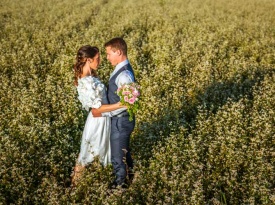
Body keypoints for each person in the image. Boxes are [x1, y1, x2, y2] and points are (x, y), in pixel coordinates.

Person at [71, 45, 126, 185]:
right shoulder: (86, 82)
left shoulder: (89, 76)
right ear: (88, 60)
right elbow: (96, 110)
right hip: (97, 122)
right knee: (86, 155)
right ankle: (74, 186)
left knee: (91, 153)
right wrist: (121, 104)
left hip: (104, 119)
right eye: (97, 58)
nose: (100, 61)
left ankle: (82, 184)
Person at [92, 37, 136, 189]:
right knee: (123, 151)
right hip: (120, 120)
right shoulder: (122, 69)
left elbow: (128, 102)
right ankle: (132, 177)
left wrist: (105, 112)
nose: (107, 57)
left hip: (120, 121)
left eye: (109, 53)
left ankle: (120, 186)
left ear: (118, 52)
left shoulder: (124, 75)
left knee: (118, 156)